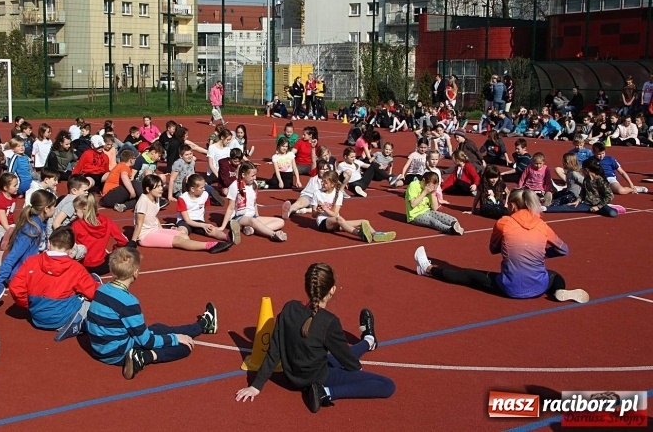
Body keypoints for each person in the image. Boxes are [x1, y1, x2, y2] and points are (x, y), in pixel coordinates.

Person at [235, 262, 394, 412]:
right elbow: (346, 359)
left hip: (293, 377)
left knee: (339, 357)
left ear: (307, 287)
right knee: (387, 385)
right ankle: (327, 392)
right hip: (318, 377)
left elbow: (274, 350)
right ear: (332, 290)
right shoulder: (328, 321)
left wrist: (256, 386)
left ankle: (369, 340)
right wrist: (357, 370)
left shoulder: (289, 308)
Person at [413, 188, 589, 303]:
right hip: (539, 285)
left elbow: (493, 249)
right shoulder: (541, 225)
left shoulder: (504, 222)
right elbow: (564, 250)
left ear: (512, 205)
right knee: (555, 276)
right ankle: (559, 290)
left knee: (468, 275)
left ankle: (427, 268)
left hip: (510, 287)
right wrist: (543, 254)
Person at [86, 246, 218, 379]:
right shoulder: (128, 302)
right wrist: (175, 338)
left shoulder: (101, 290)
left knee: (158, 328)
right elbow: (147, 341)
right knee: (184, 348)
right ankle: (144, 357)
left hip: (99, 349)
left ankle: (201, 326)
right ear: (135, 273)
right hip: (118, 353)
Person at [9, 227, 100, 340]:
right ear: (71, 250)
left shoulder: (31, 261)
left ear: (48, 243)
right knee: (98, 305)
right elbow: (93, 293)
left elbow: (15, 288)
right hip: (63, 317)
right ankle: (79, 324)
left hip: (37, 317)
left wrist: (30, 305)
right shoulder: (76, 268)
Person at [130, 175, 232, 253]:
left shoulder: (156, 198)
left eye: (161, 186)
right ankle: (209, 246)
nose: (161, 188)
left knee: (184, 236)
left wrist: (161, 229)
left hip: (154, 230)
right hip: (145, 235)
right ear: (148, 189)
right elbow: (139, 224)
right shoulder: (143, 201)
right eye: (158, 187)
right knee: (178, 240)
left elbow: (154, 216)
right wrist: (133, 242)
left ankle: (226, 238)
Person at [311, 170, 395, 243]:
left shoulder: (339, 194)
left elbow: (335, 213)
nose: (322, 184)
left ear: (332, 184)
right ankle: (360, 234)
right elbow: (313, 215)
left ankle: (376, 234)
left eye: (325, 183)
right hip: (323, 223)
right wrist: (318, 211)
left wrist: (325, 208)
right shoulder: (317, 193)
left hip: (337, 222)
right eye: (322, 182)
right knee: (339, 219)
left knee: (364, 221)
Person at [220, 162, 287, 242]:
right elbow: (230, 207)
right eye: (252, 176)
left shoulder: (254, 184)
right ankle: (273, 234)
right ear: (243, 175)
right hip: (238, 217)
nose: (255, 178)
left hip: (253, 216)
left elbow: (254, 202)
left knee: (280, 221)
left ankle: (253, 229)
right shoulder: (234, 186)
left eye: (255, 175)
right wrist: (222, 227)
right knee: (253, 221)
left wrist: (258, 216)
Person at [71, 193, 129, 274]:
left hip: (84, 265)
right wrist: (115, 249)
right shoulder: (106, 221)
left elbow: (71, 245)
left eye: (76, 211)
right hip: (102, 266)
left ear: (84, 209)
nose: (74, 213)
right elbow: (123, 241)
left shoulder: (76, 225)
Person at [176, 173, 240, 245]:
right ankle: (178, 234)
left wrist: (204, 225)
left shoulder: (205, 195)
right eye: (201, 188)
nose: (204, 189)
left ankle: (229, 237)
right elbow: (187, 220)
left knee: (212, 230)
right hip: (184, 221)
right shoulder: (182, 198)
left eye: (204, 187)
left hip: (199, 221)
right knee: (182, 232)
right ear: (192, 189)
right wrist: (203, 225)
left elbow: (203, 207)